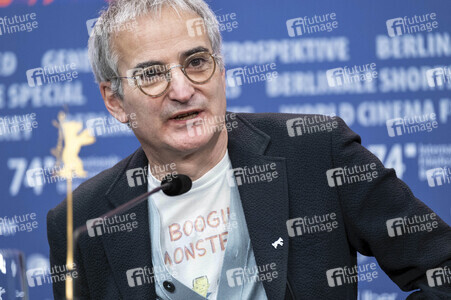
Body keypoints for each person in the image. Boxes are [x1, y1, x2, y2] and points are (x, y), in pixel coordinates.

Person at [47, 0, 451, 299]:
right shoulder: (81, 221)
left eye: (197, 62)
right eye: (152, 74)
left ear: (221, 71)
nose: (183, 90)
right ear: (114, 100)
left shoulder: (318, 151)